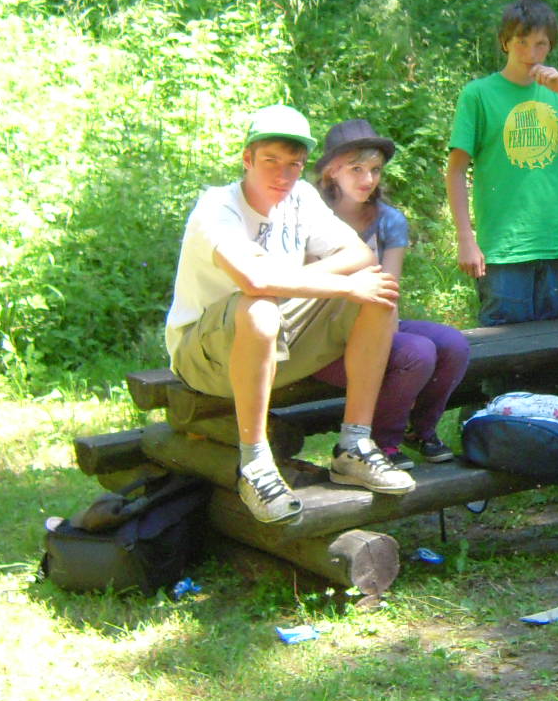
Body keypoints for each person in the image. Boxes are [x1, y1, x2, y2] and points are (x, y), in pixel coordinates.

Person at [165, 105, 416, 524]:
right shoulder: (217, 207)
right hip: (205, 359)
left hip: (277, 341)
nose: (283, 175)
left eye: (294, 165)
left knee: (375, 289)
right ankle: (255, 465)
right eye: (271, 161)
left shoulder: (301, 198)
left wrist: (294, 282)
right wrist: (338, 286)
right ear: (247, 158)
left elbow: (358, 253)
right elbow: (253, 280)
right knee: (259, 307)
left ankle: (354, 446)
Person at [312, 117, 471, 469]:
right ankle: (380, 443)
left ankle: (422, 430)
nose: (368, 179)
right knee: (417, 353)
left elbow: (388, 290)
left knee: (454, 345)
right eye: (356, 169)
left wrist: (381, 327)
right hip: (320, 337)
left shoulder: (389, 220)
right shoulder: (309, 217)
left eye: (375, 170)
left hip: (374, 320)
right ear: (332, 171)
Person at [446, 0, 558, 325]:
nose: (531, 53)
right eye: (521, 42)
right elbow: (456, 170)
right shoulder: (478, 94)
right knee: (505, 346)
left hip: (557, 240)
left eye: (540, 44)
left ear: (550, 46)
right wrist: (465, 238)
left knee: (556, 344)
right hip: (504, 247)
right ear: (505, 42)